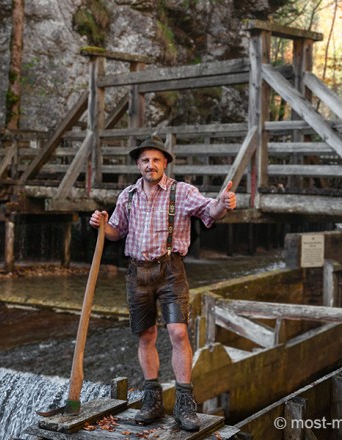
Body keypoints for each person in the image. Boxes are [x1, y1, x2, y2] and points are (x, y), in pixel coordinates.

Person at [89, 135, 236, 431]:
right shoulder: (127, 195)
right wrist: (101, 225)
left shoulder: (181, 192)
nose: (150, 165)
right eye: (145, 160)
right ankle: (153, 400)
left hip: (170, 271)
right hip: (137, 273)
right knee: (145, 335)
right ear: (138, 164)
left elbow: (210, 211)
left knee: (178, 332)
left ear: (165, 163)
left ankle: (184, 404)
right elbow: (117, 231)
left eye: (156, 159)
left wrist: (223, 203)